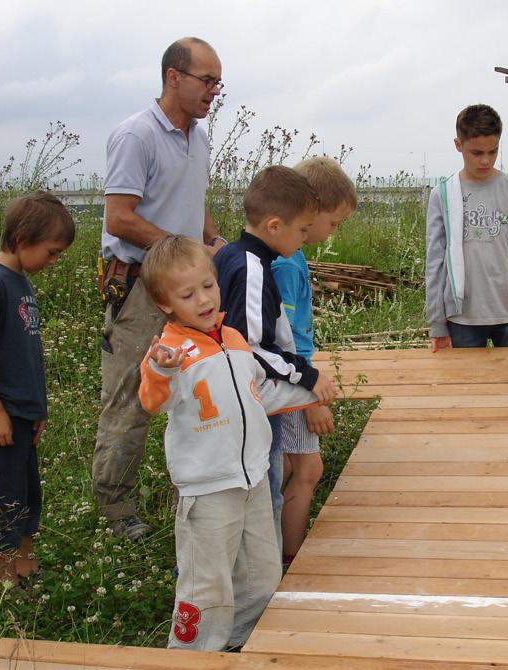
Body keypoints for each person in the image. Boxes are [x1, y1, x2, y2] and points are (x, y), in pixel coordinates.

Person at [137, 235, 318, 651]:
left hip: (253, 480)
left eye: (208, 286)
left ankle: (242, 643)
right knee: (207, 582)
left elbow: (261, 394)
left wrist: (311, 392)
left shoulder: (234, 339)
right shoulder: (171, 353)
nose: (203, 299)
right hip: (209, 489)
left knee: (261, 573)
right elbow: (152, 402)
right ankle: (194, 653)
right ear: (166, 303)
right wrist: (161, 371)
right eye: (187, 294)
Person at [93, 36, 229, 540]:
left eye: (218, 82)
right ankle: (115, 512)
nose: (214, 91)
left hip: (189, 290)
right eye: (207, 80)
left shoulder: (198, 136)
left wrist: (212, 239)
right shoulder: (137, 136)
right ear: (174, 76)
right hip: (141, 290)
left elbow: (193, 202)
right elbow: (120, 218)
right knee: (131, 398)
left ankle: (190, 492)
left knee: (198, 388)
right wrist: (181, 252)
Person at [214, 166, 337, 553]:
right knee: (263, 495)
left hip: (237, 401)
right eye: (302, 230)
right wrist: (306, 375)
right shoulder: (251, 267)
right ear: (273, 226)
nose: (305, 238)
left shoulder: (237, 257)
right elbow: (251, 346)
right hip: (250, 401)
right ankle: (264, 580)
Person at [0, 191, 76, 587]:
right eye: (52, 252)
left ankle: (26, 567)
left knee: (26, 496)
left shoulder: (19, 280)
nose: (54, 261)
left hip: (20, 414)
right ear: (24, 240)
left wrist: (35, 409)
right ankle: (4, 581)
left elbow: (24, 352)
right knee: (1, 500)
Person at [272, 157, 357, 568]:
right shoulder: (288, 263)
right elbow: (283, 339)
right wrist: (313, 397)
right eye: (333, 222)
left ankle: (272, 547)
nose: (331, 232)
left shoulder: (292, 256)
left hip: (290, 377)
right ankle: (289, 557)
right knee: (308, 468)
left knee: (288, 465)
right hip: (294, 381)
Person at [425, 104, 508, 351]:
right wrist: (437, 324)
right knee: (465, 388)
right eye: (476, 152)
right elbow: (435, 263)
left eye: (493, 151)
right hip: (462, 318)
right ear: (458, 145)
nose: (485, 160)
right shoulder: (442, 195)